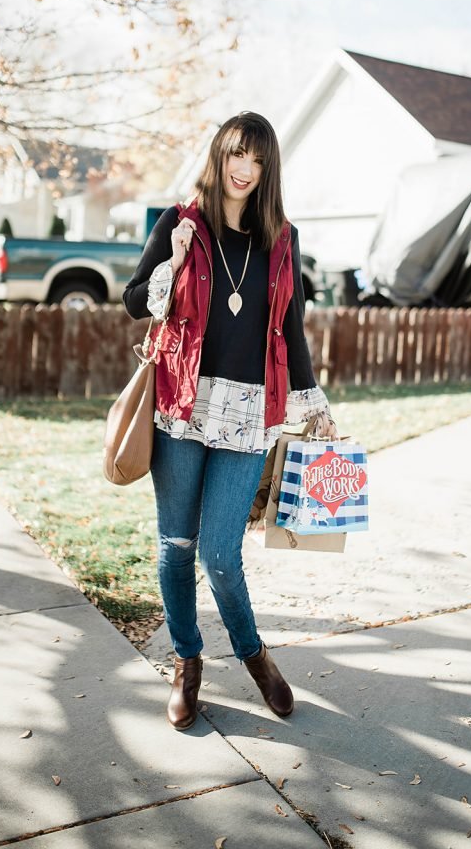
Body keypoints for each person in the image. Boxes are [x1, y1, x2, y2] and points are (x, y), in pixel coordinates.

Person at [122, 110, 338, 730]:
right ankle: (187, 661)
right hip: (182, 408)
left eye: (258, 160)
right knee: (176, 547)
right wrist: (172, 263)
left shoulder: (282, 239)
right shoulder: (180, 222)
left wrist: (314, 402)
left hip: (249, 414)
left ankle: (253, 654)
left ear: (269, 171)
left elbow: (291, 329)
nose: (245, 169)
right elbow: (135, 301)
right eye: (237, 154)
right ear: (219, 156)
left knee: (220, 552)